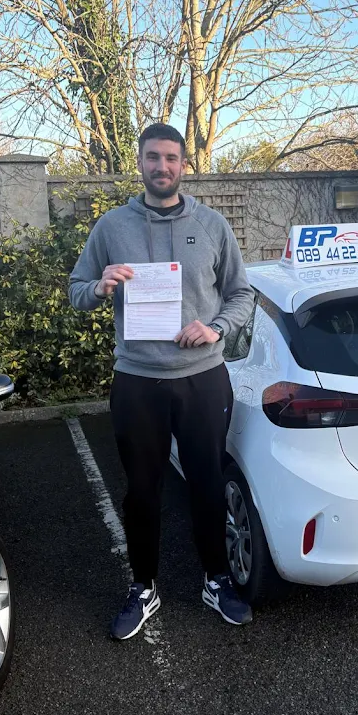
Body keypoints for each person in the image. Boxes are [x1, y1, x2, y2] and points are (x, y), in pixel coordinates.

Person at [69, 123, 255, 637]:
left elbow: (242, 295)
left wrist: (215, 326)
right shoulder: (111, 227)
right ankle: (144, 587)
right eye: (154, 157)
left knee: (208, 485)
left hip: (203, 378)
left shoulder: (213, 225)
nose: (163, 167)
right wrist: (99, 286)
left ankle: (216, 579)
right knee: (141, 492)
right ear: (141, 161)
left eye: (172, 158)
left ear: (183, 164)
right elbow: (76, 289)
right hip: (137, 382)